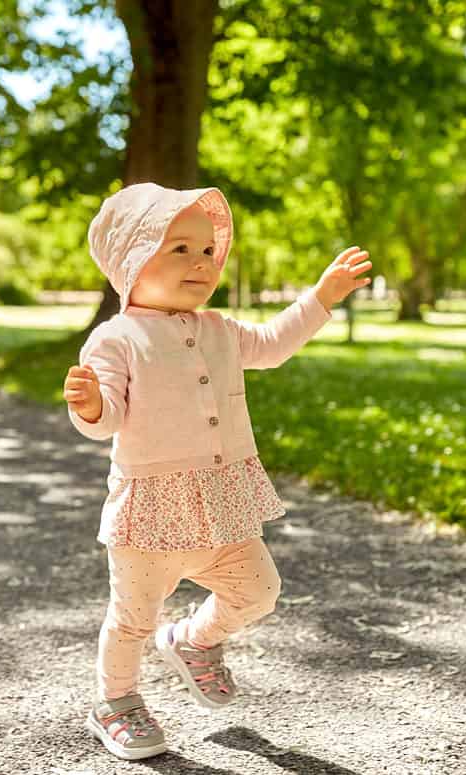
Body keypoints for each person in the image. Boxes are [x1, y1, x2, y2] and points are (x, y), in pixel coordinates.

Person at [63, 181, 371, 760]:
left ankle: (192, 641)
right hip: (150, 512)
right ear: (132, 258)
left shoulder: (221, 330)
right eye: (178, 249)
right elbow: (108, 418)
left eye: (207, 251)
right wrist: (89, 405)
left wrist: (322, 297)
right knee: (131, 619)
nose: (200, 263)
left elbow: (275, 344)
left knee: (259, 591)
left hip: (222, 503)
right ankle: (116, 702)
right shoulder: (117, 337)